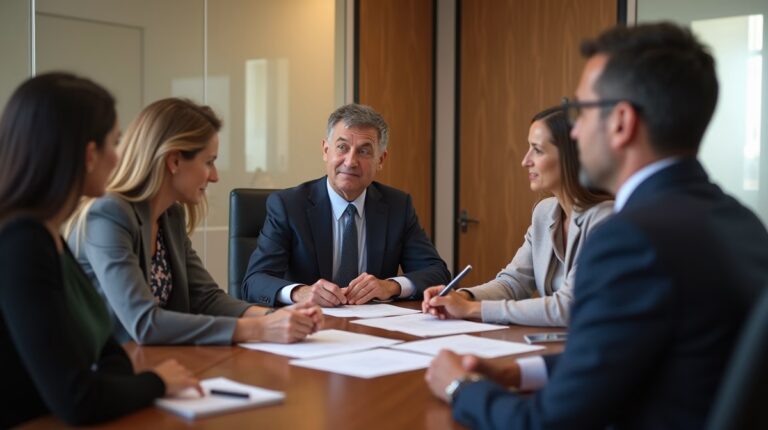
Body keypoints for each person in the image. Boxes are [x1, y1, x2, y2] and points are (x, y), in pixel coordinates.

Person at [426, 22, 768, 429]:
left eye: (582, 111)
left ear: (621, 123)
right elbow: (628, 356)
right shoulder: (742, 222)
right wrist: (516, 372)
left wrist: (459, 388)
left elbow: (548, 423)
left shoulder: (630, 238)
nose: (575, 130)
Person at [0, 73, 201, 427]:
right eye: (115, 142)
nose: (118, 156)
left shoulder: (48, 234)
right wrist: (157, 382)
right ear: (90, 154)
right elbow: (79, 399)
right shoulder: (20, 246)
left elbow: (108, 352)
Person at [66, 98, 322, 345]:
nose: (214, 176)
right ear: (174, 161)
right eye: (208, 162)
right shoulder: (109, 215)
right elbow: (145, 323)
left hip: (160, 363)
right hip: (108, 372)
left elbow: (207, 298)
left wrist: (276, 317)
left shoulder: (170, 216)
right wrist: (259, 329)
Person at [242, 103, 450, 307]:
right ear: (326, 150)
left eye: (364, 151)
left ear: (381, 159)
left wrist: (391, 286)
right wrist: (300, 292)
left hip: (375, 329)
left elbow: (436, 272)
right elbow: (254, 281)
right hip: (309, 327)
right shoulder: (288, 206)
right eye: (342, 147)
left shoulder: (398, 206)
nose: (350, 161)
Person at [422, 107, 612, 326]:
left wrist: (473, 309)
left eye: (537, 150)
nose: (525, 160)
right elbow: (513, 283)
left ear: (570, 158)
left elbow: (568, 306)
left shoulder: (606, 219)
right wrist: (461, 297)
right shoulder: (544, 212)